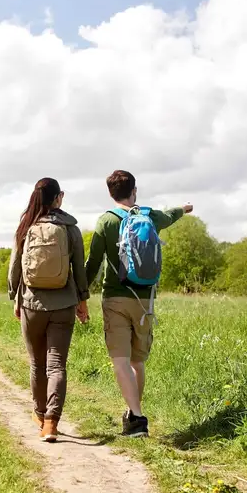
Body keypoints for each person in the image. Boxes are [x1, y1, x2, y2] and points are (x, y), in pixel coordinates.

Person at [85, 170, 193, 437]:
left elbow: (93, 263)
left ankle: (138, 419)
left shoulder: (106, 221)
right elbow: (170, 215)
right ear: (134, 190)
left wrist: (80, 295)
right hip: (145, 301)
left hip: (115, 298)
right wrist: (184, 209)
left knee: (120, 360)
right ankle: (133, 414)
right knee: (137, 361)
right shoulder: (150, 216)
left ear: (110, 193)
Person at [8, 178, 90, 442]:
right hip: (64, 304)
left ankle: (40, 414)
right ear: (58, 197)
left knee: (37, 364)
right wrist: (82, 300)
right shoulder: (70, 228)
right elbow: (79, 268)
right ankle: (51, 424)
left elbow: (14, 268)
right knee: (56, 365)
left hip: (31, 303)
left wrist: (15, 297)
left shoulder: (26, 226)